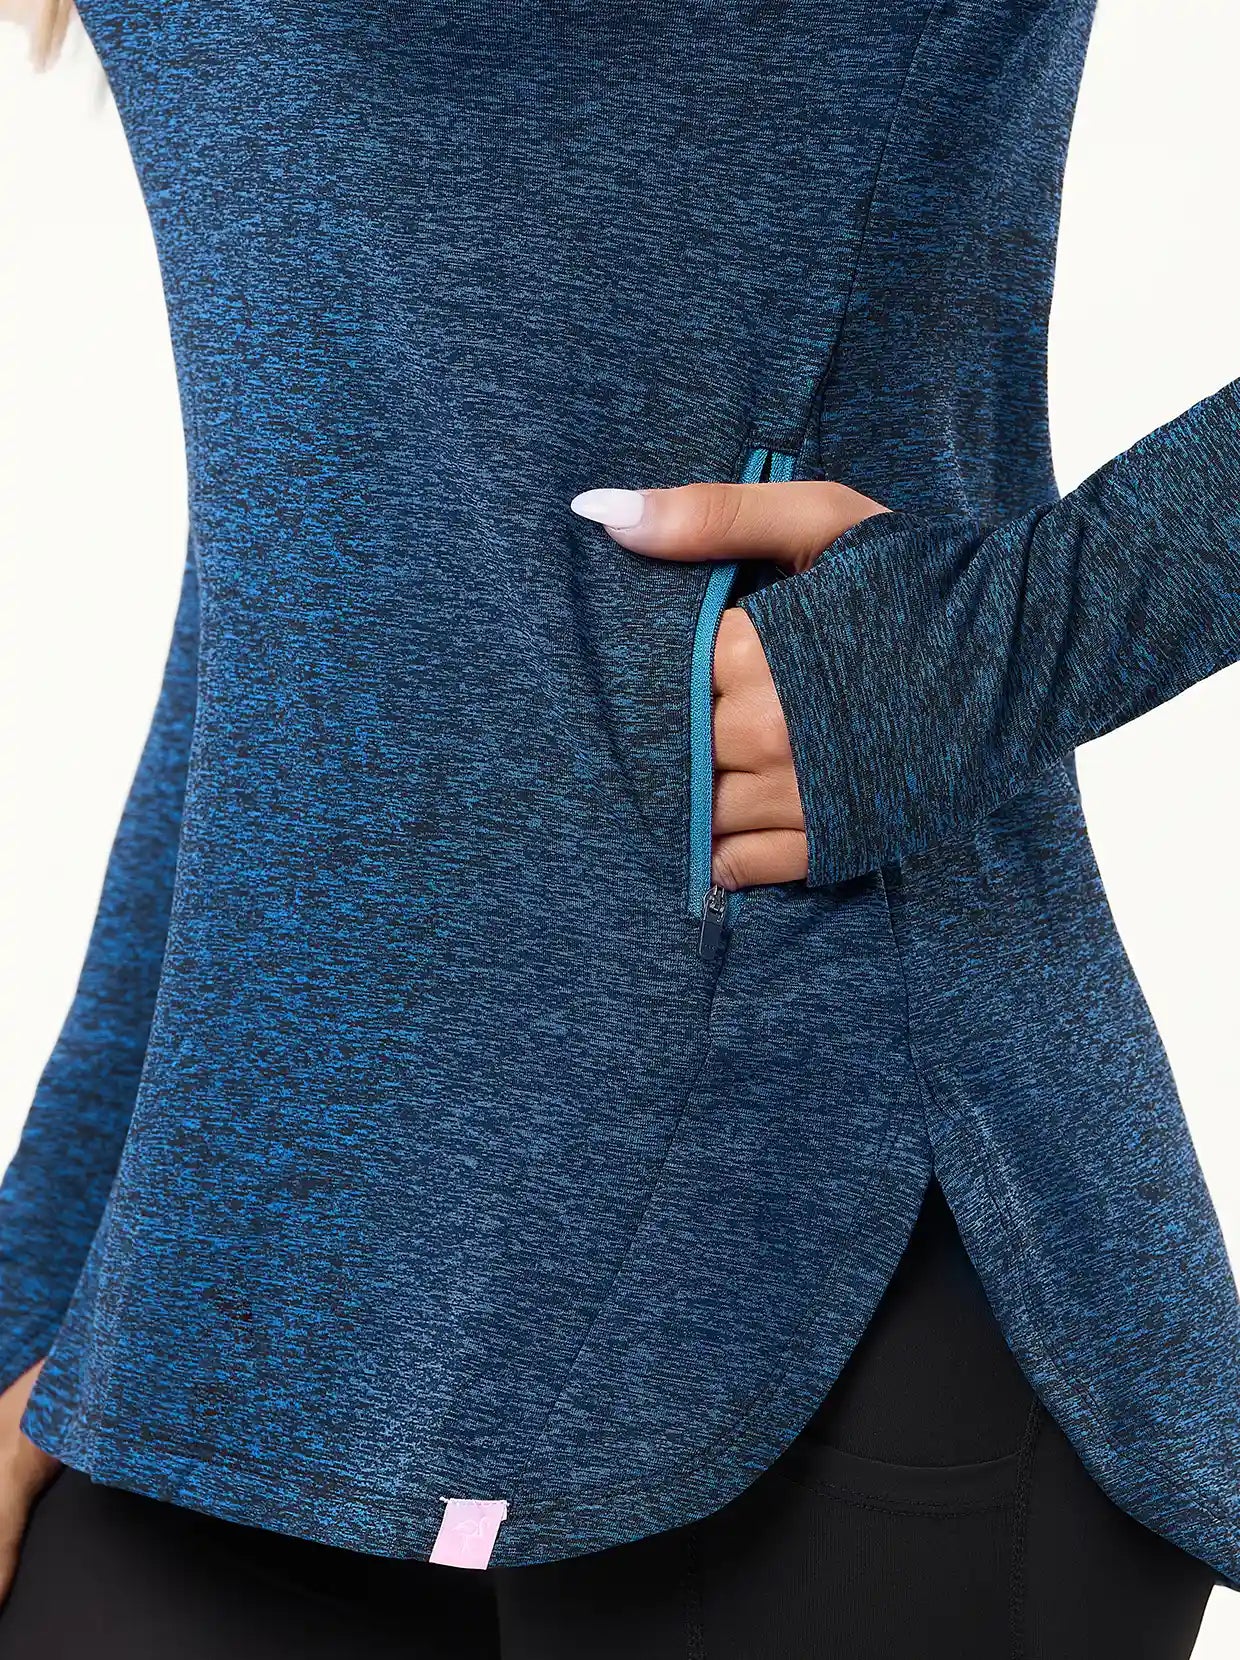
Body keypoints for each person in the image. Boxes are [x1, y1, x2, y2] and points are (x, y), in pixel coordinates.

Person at [0, 0, 1237, 1654]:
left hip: (819, 1222)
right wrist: (48, 1267)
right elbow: (322, 564)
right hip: (249, 1279)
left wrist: (997, 649)